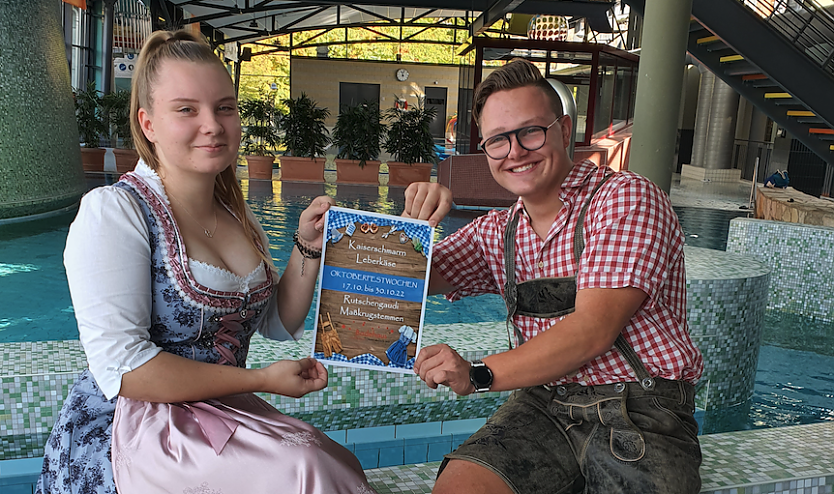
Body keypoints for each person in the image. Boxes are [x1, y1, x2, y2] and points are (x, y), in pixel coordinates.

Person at [36, 30, 379, 494]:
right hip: (136, 427)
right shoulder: (115, 213)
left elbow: (277, 321)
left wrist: (307, 243)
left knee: (335, 463)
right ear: (148, 123)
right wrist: (260, 380)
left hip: (220, 409)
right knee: (307, 471)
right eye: (186, 109)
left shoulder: (238, 214)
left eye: (224, 107)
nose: (213, 125)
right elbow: (127, 371)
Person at [408, 58, 705, 494]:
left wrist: (477, 374)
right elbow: (405, 276)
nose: (515, 152)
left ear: (564, 131)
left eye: (530, 131)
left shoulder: (626, 199)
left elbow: (591, 331)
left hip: (640, 408)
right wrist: (412, 225)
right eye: (497, 141)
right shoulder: (497, 232)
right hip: (541, 405)